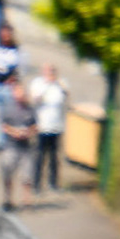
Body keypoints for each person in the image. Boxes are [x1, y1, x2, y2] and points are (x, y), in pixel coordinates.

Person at [0, 80, 37, 210]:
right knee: (7, 172)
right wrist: (14, 132)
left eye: (22, 92)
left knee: (27, 174)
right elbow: (4, 126)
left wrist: (28, 133)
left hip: (25, 147)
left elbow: (35, 126)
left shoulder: (30, 109)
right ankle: (8, 198)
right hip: (11, 145)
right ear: (14, 93)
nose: (20, 95)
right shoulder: (8, 108)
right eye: (18, 92)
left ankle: (27, 199)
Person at [29, 63, 68, 194]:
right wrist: (47, 84)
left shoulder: (60, 84)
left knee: (54, 157)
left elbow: (65, 94)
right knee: (40, 156)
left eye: (53, 71)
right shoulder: (38, 83)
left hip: (56, 126)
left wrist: (57, 83)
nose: (50, 73)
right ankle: (37, 185)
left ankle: (54, 183)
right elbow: (36, 99)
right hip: (42, 126)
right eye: (48, 71)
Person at [0, 23, 24, 147]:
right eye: (3, 32)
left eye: (7, 32)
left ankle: (7, 139)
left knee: (7, 113)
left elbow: (17, 67)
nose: (5, 35)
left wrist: (13, 79)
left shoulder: (14, 49)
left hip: (8, 86)